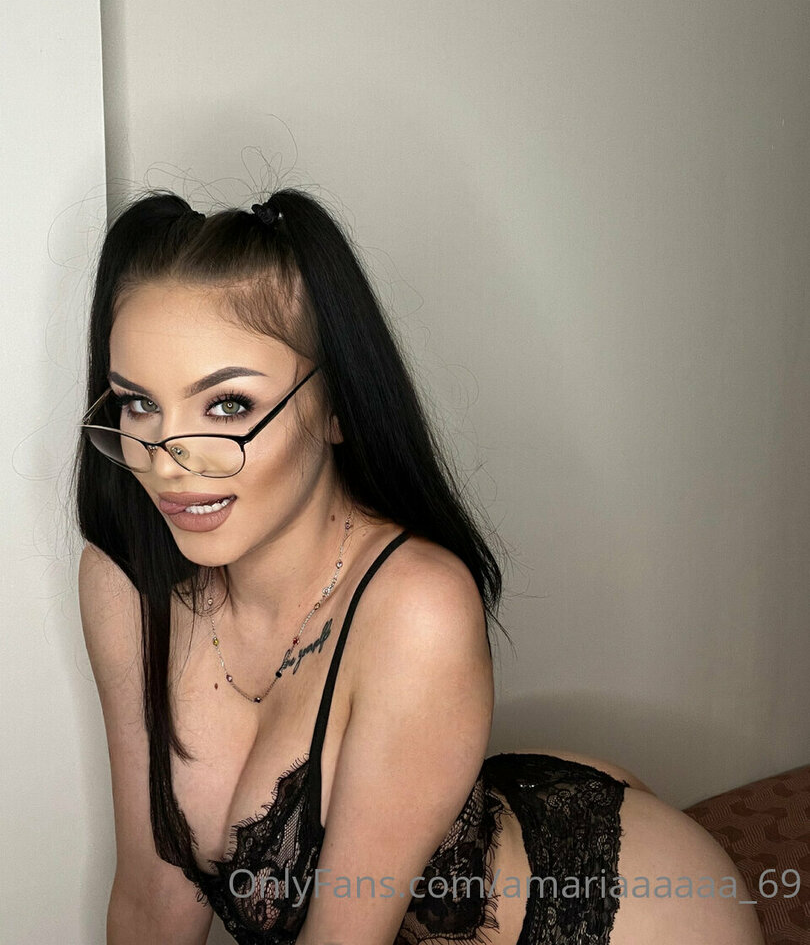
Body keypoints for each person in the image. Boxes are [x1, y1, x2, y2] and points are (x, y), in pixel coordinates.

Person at [75, 188, 764, 945]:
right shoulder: (124, 584)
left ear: (337, 407)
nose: (168, 461)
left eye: (228, 405)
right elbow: (151, 899)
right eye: (138, 405)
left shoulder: (417, 607)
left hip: (615, 917)